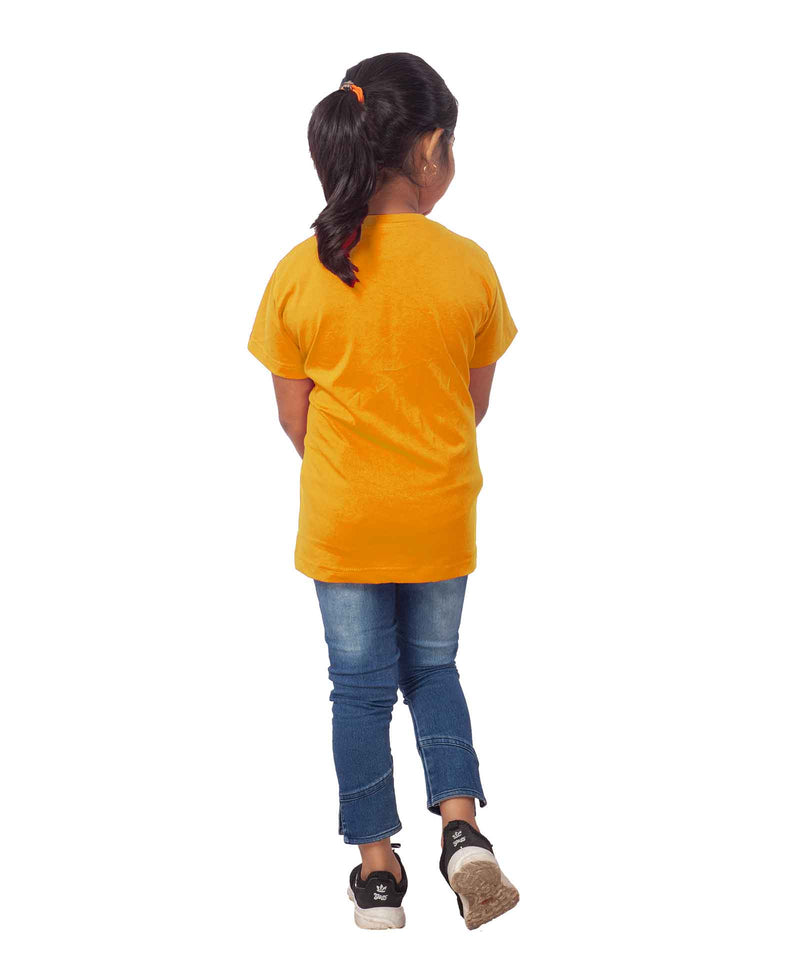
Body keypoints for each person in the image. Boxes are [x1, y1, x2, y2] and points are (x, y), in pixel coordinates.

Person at [247, 52, 519, 930]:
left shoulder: (301, 269)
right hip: (439, 516)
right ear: (430, 148)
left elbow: (294, 416)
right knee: (434, 670)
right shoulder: (468, 265)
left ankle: (376, 875)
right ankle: (463, 832)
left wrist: (351, 471)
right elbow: (471, 404)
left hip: (344, 523)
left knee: (359, 690)